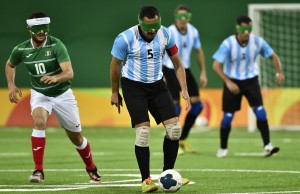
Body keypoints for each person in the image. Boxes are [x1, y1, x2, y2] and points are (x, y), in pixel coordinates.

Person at [5, 12, 101, 183]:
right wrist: (11, 84)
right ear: (30, 29)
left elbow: (70, 72)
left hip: (62, 94)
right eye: (38, 28)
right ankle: (38, 170)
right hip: (40, 93)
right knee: (39, 121)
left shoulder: (56, 45)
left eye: (45, 28)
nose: (42, 31)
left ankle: (91, 167)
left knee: (77, 138)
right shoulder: (21, 49)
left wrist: (56, 77)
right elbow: (10, 64)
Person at [110, 6, 191, 193]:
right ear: (140, 23)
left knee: (175, 130)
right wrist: (115, 92)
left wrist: (184, 89)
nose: (153, 31)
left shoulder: (166, 34)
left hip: (158, 86)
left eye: (156, 25)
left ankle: (167, 174)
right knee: (144, 133)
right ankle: (146, 180)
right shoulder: (124, 38)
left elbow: (178, 64)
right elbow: (114, 66)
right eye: (149, 28)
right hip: (133, 87)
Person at [212, 15, 285, 158]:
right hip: (232, 81)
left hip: (251, 81)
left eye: (249, 29)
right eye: (244, 29)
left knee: (260, 112)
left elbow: (273, 56)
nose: (246, 33)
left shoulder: (257, 42)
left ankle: (267, 146)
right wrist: (228, 81)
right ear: (238, 28)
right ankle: (223, 148)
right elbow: (215, 65)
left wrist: (279, 72)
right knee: (227, 117)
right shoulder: (228, 44)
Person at [163, 5, 207, 155]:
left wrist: (203, 73)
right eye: (180, 17)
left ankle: (183, 138)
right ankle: (172, 140)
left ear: (189, 18)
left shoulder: (193, 31)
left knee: (198, 106)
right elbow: (160, 51)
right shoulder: (169, 32)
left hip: (185, 70)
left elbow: (199, 51)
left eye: (186, 17)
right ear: (175, 16)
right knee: (175, 108)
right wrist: (160, 74)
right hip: (169, 69)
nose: (183, 20)